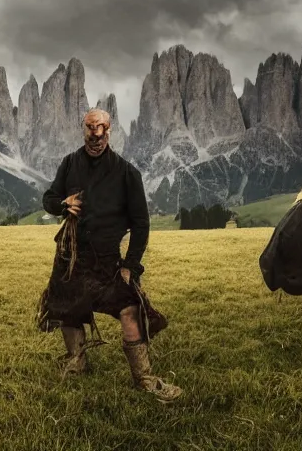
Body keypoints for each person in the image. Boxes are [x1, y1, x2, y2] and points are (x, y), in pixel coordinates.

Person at [35, 108, 182, 403]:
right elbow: (48, 199)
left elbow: (141, 224)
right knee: (67, 307)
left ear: (109, 131)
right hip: (72, 256)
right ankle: (76, 361)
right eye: (90, 127)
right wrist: (63, 204)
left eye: (101, 128)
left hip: (108, 261)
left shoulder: (127, 172)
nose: (96, 134)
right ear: (83, 129)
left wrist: (131, 266)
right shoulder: (70, 163)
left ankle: (144, 378)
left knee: (129, 308)